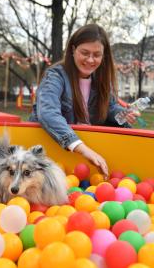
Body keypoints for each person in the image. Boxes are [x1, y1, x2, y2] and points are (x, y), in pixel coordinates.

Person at [29, 24, 138, 179]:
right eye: (85, 53)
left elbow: (110, 107)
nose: (90, 60)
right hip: (51, 157)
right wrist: (82, 148)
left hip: (87, 164)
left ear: (104, 55)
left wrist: (123, 114)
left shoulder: (102, 80)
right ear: (73, 50)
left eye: (97, 54)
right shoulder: (55, 76)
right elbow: (48, 113)